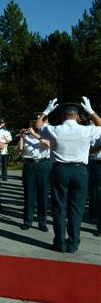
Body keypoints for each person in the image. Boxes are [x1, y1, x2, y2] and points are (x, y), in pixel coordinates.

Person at [36, 97, 101, 253]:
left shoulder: (55, 129)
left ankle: (59, 242)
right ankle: (73, 243)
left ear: (63, 115)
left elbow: (38, 126)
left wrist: (46, 111)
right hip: (80, 171)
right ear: (78, 115)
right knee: (76, 209)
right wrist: (91, 111)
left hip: (60, 170)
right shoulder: (87, 130)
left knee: (59, 207)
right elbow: (100, 125)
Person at [17, 112, 51, 231]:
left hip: (43, 164)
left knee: (43, 194)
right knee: (29, 194)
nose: (35, 124)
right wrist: (22, 137)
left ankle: (42, 222)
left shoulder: (47, 133)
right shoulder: (26, 135)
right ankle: (27, 221)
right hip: (30, 165)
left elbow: (48, 145)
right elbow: (20, 151)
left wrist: (36, 136)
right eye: (33, 121)